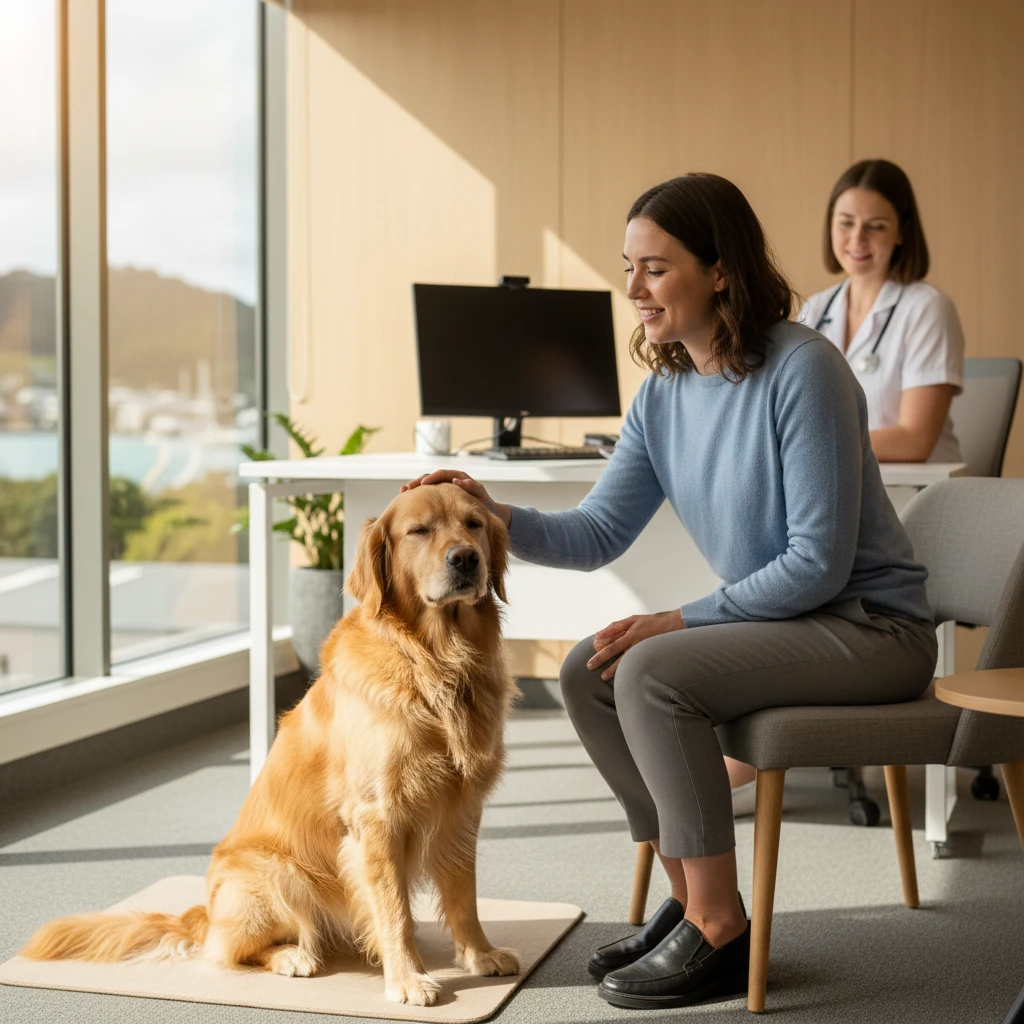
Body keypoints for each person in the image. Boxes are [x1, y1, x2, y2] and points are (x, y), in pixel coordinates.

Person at [402, 173, 938, 1010]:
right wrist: (489, 511)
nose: (633, 290)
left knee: (652, 666)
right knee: (588, 668)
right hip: (798, 626)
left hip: (873, 631)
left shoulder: (806, 370)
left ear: (719, 271)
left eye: (655, 268)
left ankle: (719, 925)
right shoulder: (665, 393)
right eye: (629, 268)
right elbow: (596, 533)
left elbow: (818, 565)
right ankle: (692, 899)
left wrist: (674, 619)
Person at [799, 159, 965, 463]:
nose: (858, 239)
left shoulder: (928, 309)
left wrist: (814, 442)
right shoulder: (814, 311)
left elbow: (915, 441)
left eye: (876, 226)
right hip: (842, 483)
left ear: (901, 232)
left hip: (921, 494)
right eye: (846, 222)